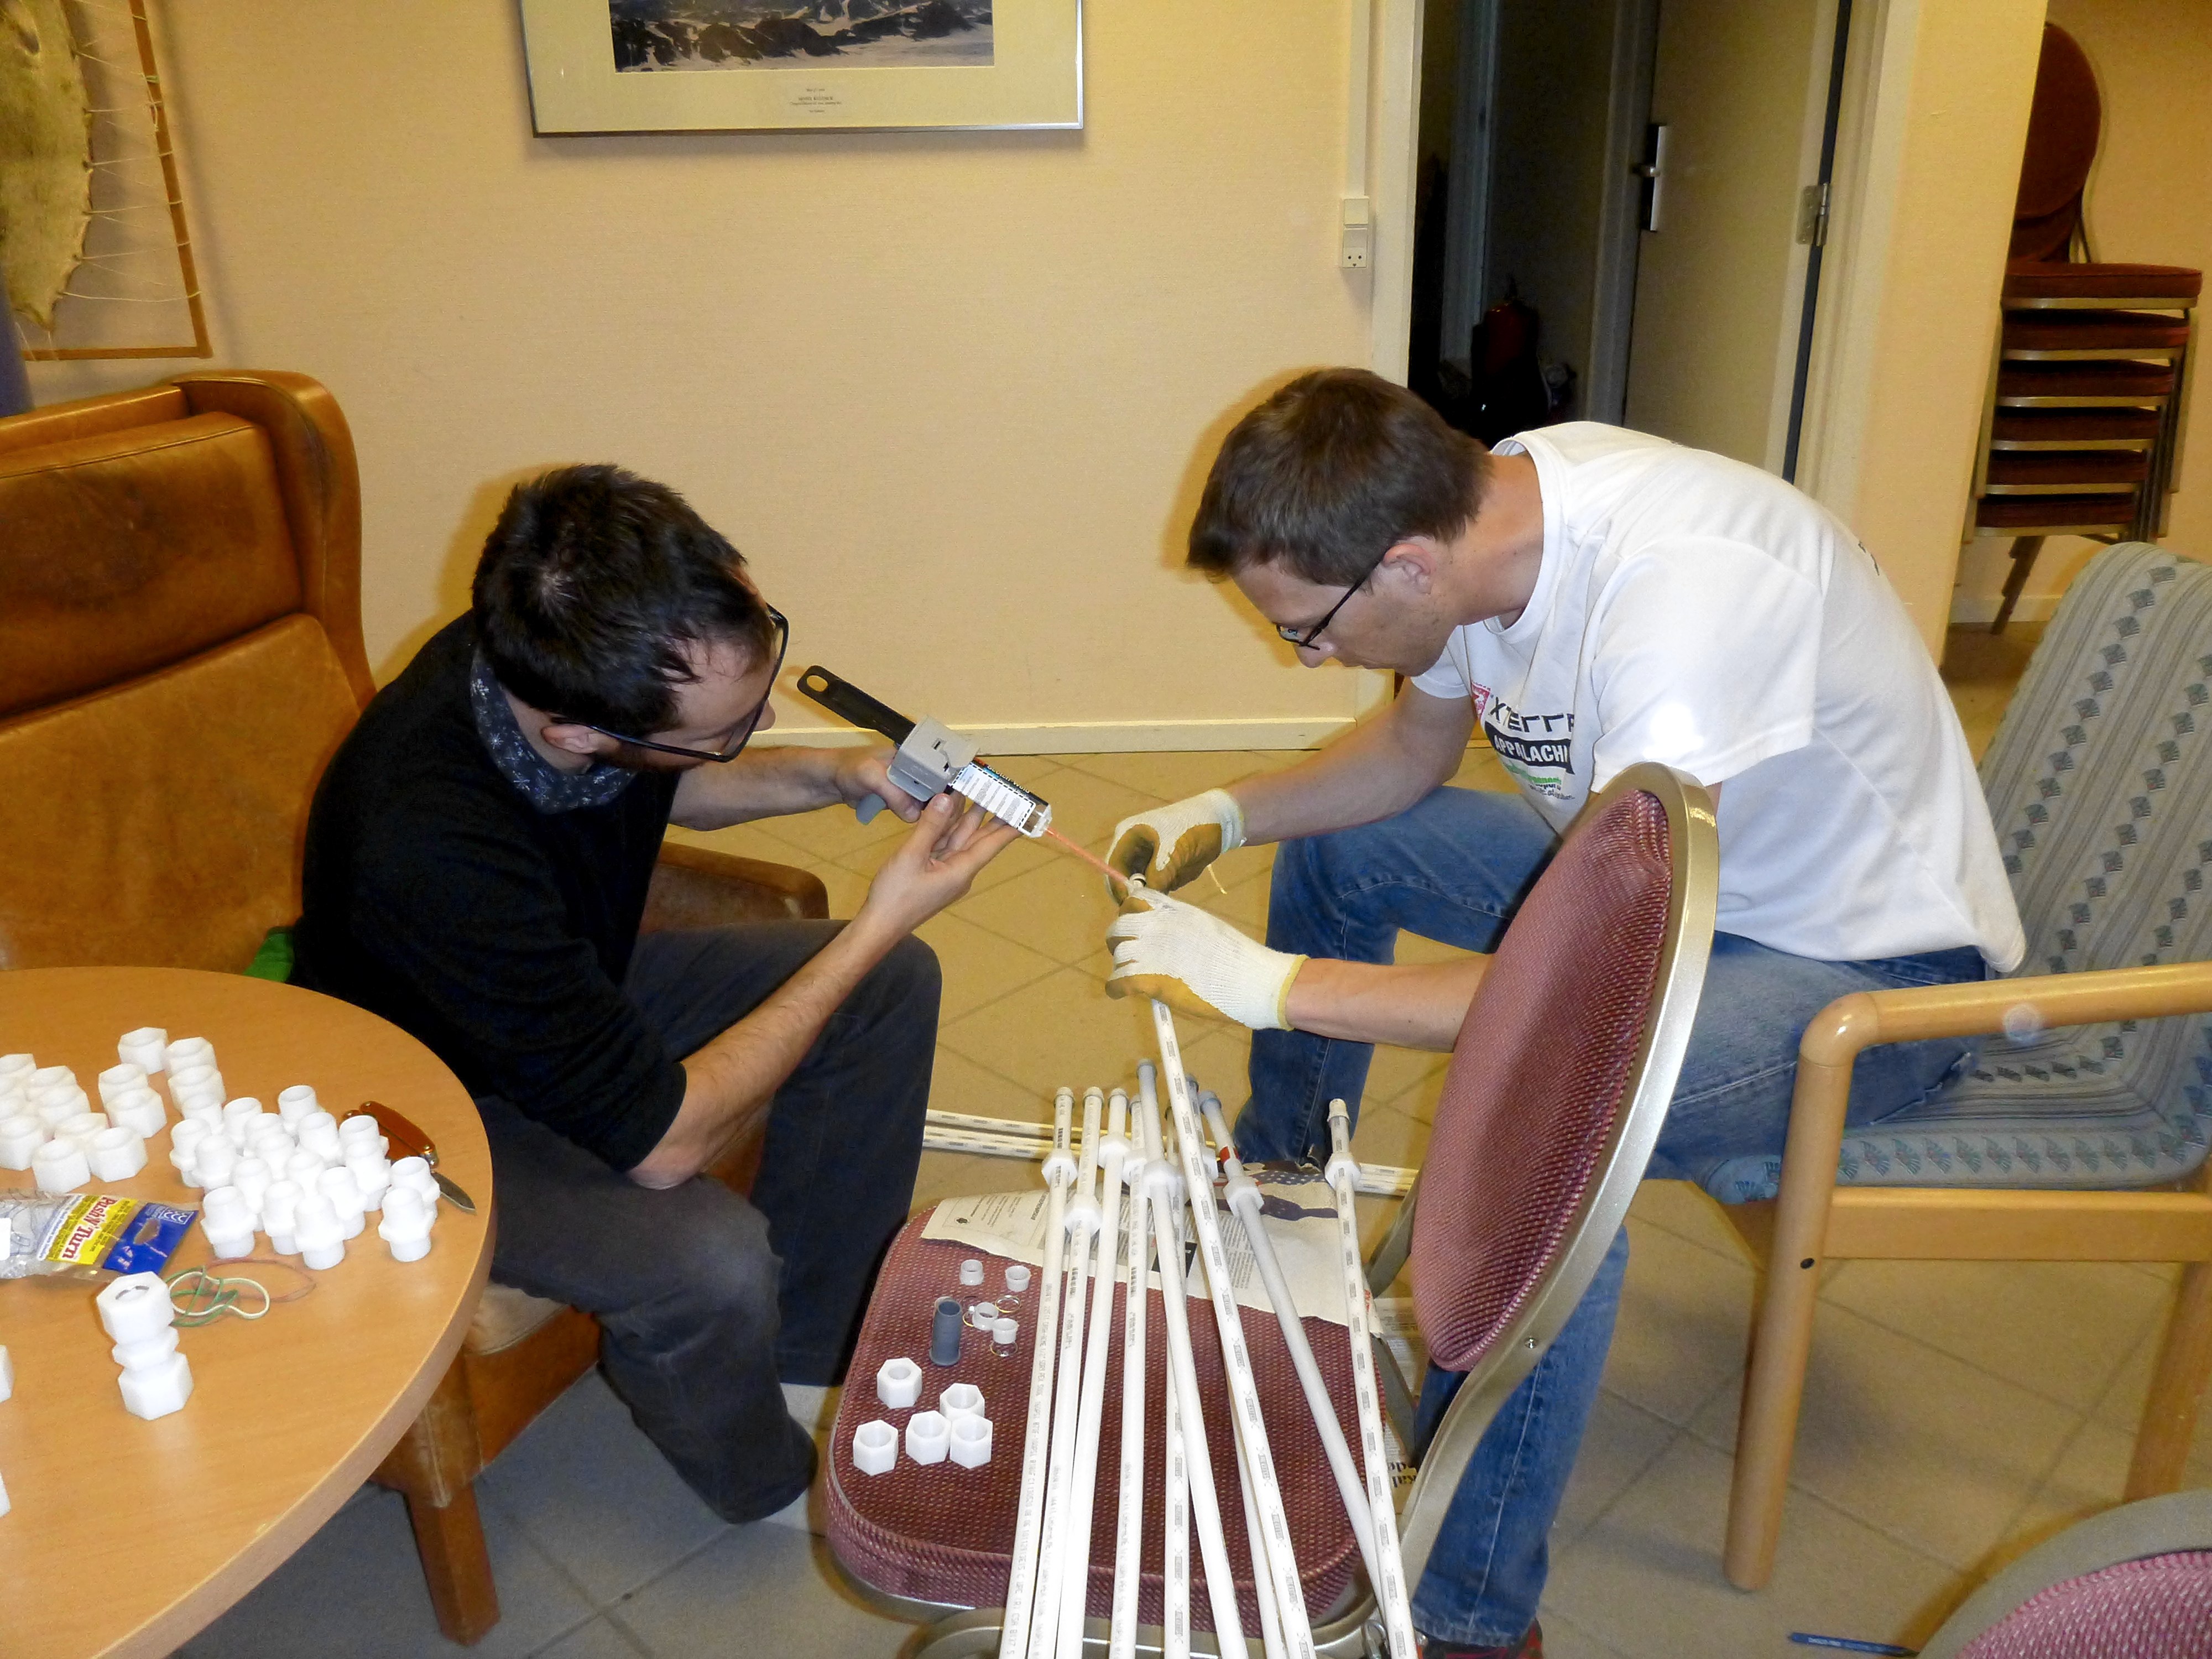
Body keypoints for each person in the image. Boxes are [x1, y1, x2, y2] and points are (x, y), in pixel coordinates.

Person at [1102, 368, 2024, 1657]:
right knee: (1342, 857)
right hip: (1686, 914)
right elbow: (1404, 766)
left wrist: (1271, 985)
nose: (1305, 656)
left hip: (1870, 980)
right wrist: (1227, 810)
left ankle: (1470, 1623)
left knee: (1540, 1138)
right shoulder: (1490, 514)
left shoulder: (1680, 605)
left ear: (1407, 568)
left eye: (1308, 627)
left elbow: (1588, 990)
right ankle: (1283, 1211)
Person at [293, 464, 1018, 1523]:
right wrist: (876, 921)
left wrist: (832, 775)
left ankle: (813, 1356)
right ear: (582, 732)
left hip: (558, 987)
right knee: (708, 1261)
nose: (758, 719)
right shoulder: (427, 843)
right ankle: (767, 1492)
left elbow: (664, 773)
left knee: (890, 988)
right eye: (733, 725)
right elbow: (667, 1143)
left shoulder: (537, 648)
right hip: (421, 1103)